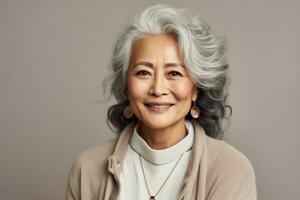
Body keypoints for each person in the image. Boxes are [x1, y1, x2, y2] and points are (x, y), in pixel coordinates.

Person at [65, 4, 257, 200]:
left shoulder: (230, 169)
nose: (157, 89)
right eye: (143, 72)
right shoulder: (88, 168)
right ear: (125, 86)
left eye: (174, 73)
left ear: (196, 89)